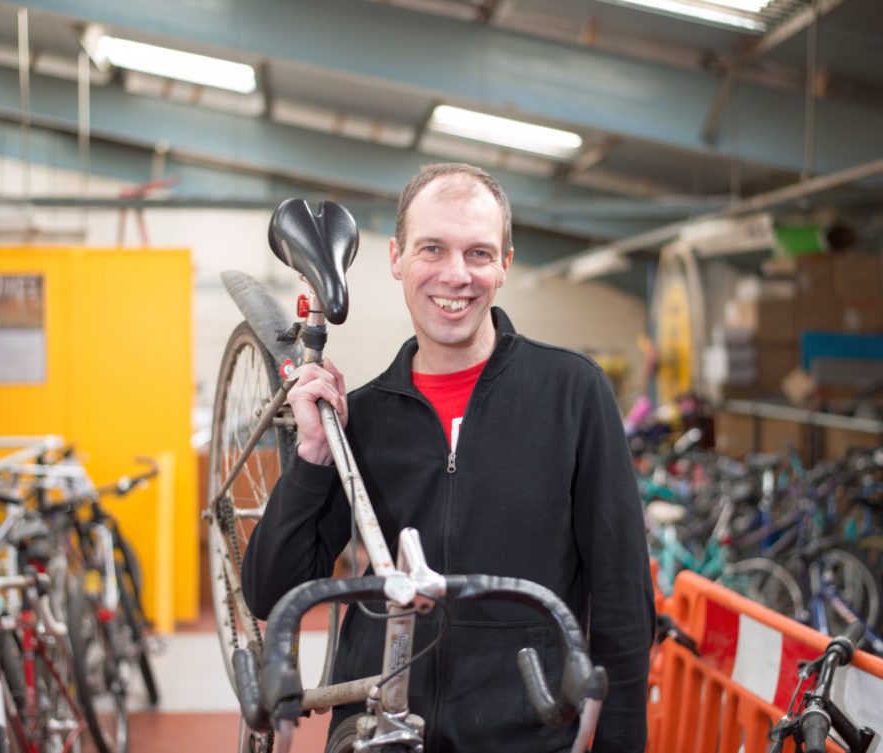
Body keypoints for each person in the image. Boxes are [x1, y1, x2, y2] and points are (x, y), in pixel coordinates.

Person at [242, 162, 654, 752]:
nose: (456, 276)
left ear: (505, 266)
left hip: (523, 732)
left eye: (479, 254)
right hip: (377, 728)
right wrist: (312, 455)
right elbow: (272, 591)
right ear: (396, 258)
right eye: (432, 248)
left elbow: (622, 598)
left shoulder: (571, 392)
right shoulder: (363, 415)